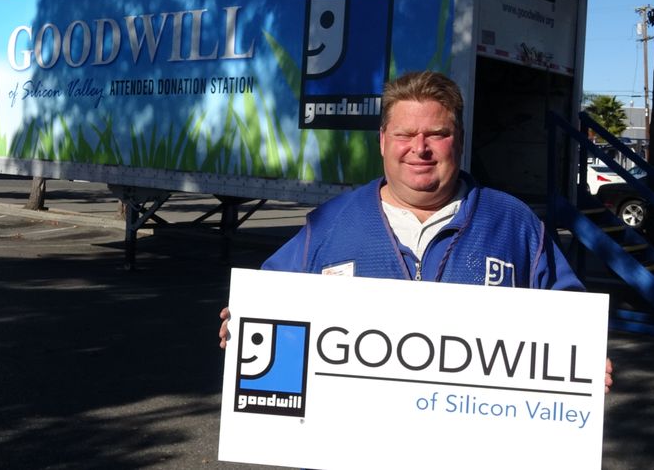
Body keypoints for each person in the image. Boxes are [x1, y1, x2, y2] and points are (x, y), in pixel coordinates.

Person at [219, 70, 612, 392]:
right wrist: (244, 324)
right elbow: (269, 307)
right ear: (382, 141)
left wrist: (585, 360)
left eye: (437, 134)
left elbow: (570, 318)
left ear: (459, 141)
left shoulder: (514, 223)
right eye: (404, 135)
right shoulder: (329, 225)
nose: (419, 148)